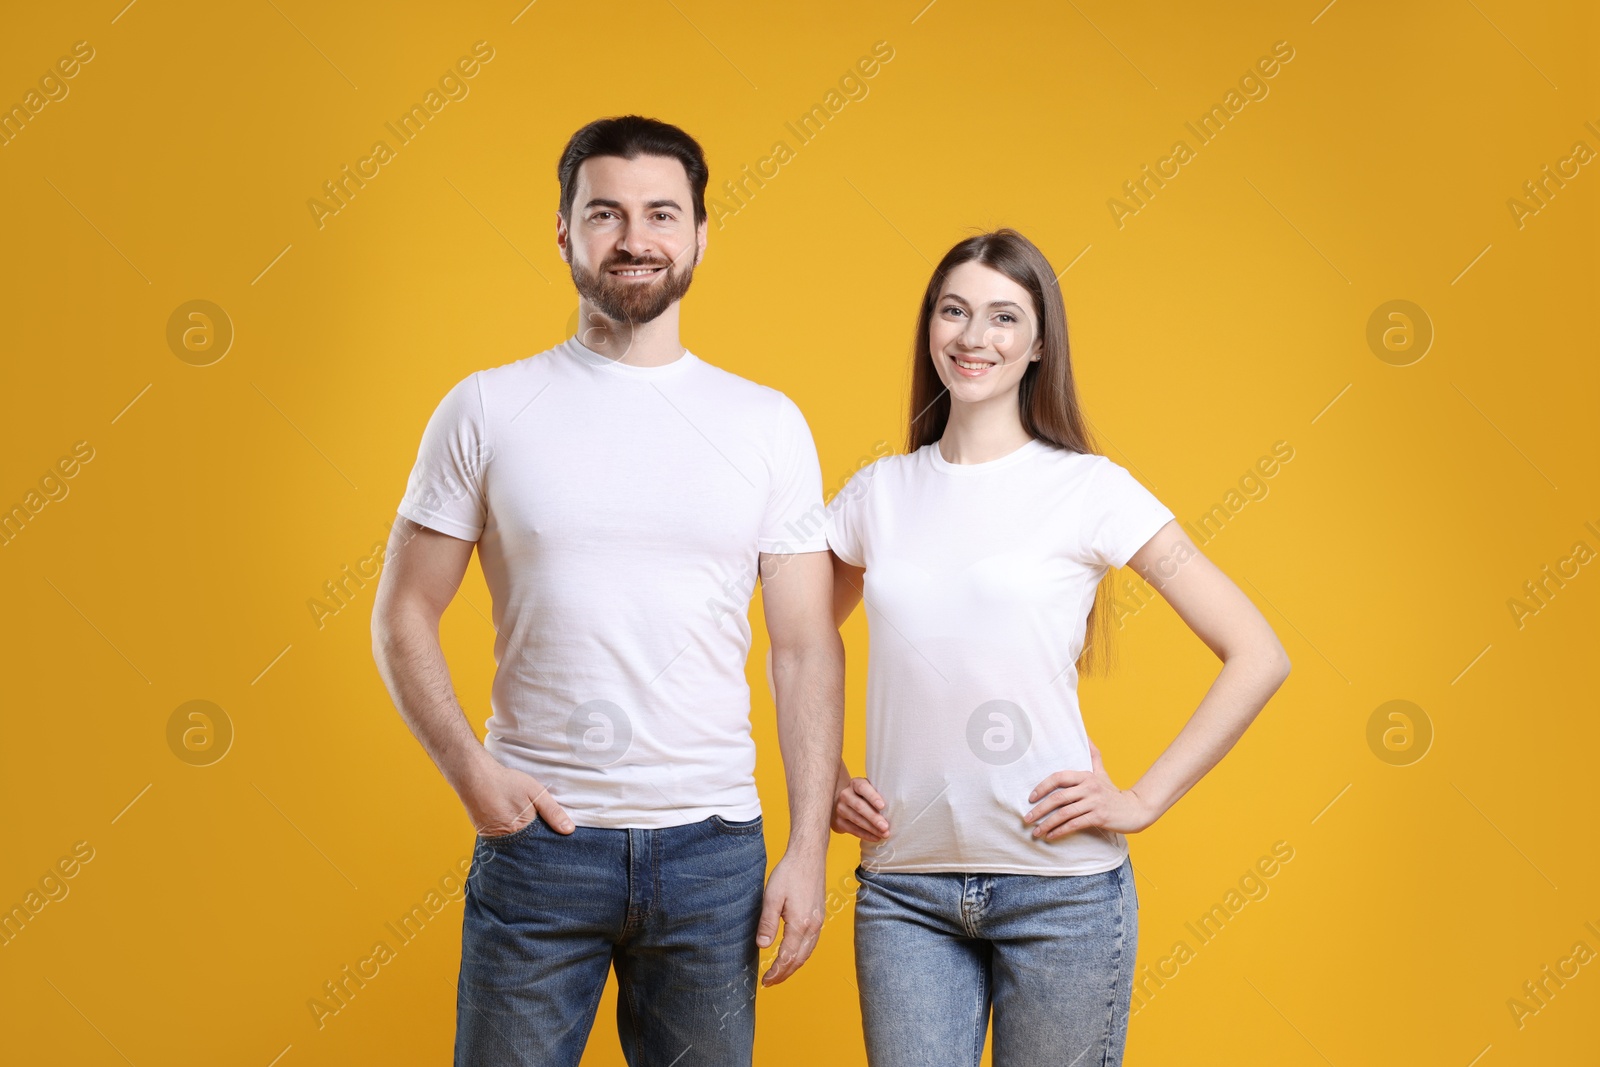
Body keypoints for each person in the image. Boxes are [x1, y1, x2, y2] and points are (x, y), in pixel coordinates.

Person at [370, 115, 843, 1067]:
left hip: (714, 850)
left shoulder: (767, 423)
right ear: (564, 232)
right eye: (606, 214)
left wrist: (807, 848)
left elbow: (803, 646)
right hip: (541, 843)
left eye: (662, 213)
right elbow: (402, 612)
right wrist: (473, 776)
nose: (635, 238)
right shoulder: (486, 408)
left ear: (702, 234)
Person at [825, 228, 1291, 1066]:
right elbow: (799, 640)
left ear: (1039, 343)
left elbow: (1258, 650)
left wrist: (1143, 798)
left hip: (1063, 898)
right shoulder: (877, 494)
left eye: (1005, 317)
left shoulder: (1090, 490)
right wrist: (823, 776)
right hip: (904, 892)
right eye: (955, 311)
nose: (975, 338)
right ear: (930, 327)